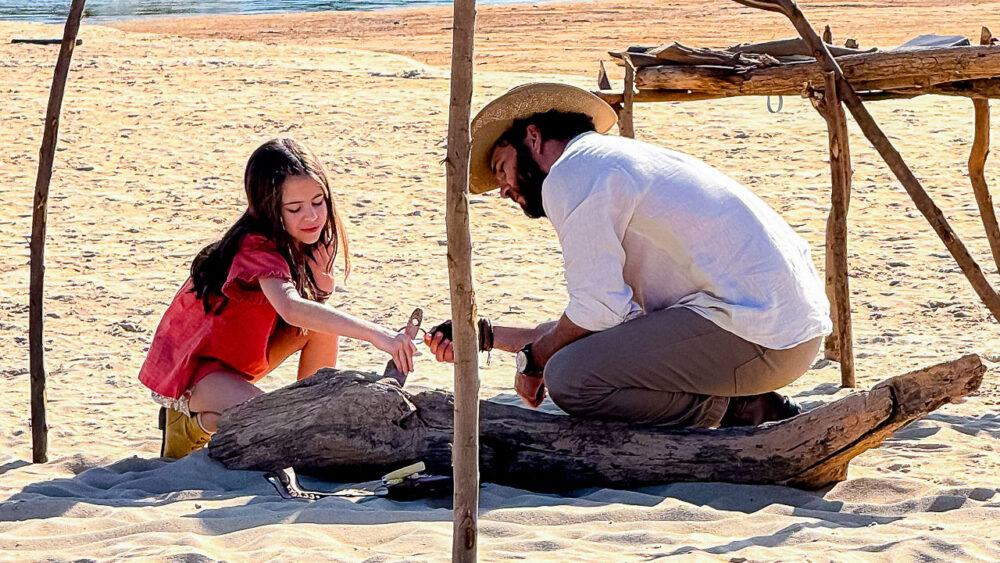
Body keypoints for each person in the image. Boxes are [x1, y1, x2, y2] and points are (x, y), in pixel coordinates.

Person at [426, 83, 831, 428]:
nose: (503, 190)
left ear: (532, 139)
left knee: (570, 377)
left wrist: (535, 361)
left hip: (761, 336)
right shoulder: (615, 159)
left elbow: (597, 312)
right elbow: (606, 322)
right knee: (573, 353)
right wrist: (487, 337)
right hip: (784, 326)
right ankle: (739, 400)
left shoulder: (571, 173)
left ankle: (734, 408)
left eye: (501, 169)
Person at [138, 137, 418, 459]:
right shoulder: (254, 245)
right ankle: (187, 426)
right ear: (269, 209)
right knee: (272, 421)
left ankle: (311, 411)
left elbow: (312, 312)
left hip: (242, 358)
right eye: (295, 208)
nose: (312, 216)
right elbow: (290, 307)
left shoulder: (305, 239)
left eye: (318, 201)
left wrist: (321, 280)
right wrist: (376, 334)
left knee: (322, 327)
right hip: (198, 372)